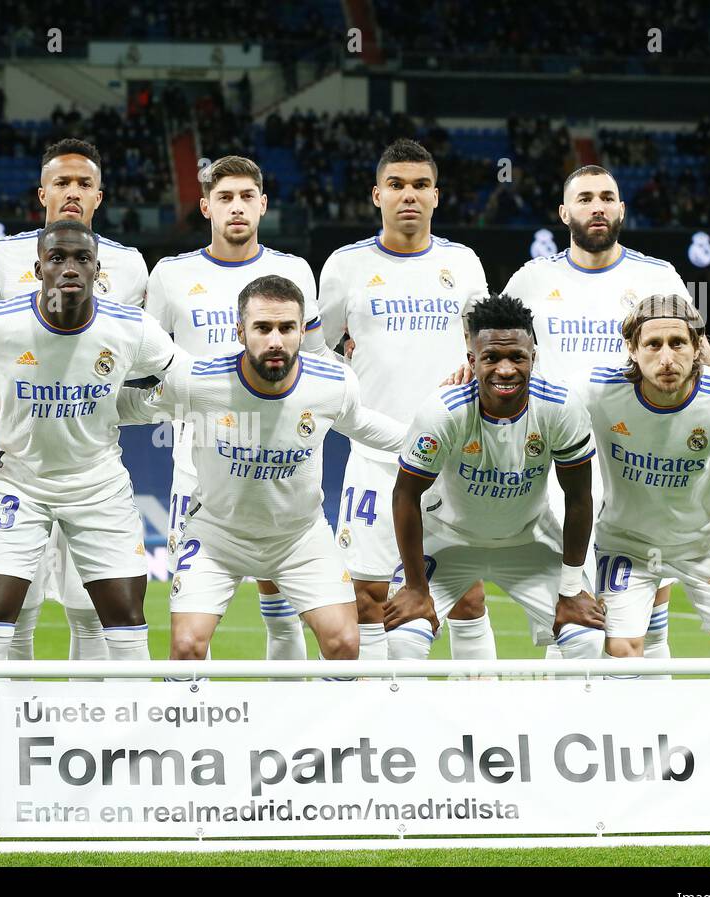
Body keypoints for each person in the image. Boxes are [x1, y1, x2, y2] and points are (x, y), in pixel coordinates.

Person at [496, 164, 710, 662]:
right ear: (564, 213)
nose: (596, 206)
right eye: (584, 198)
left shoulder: (655, 275)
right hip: (558, 458)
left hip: (638, 454)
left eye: (606, 197)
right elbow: (493, 346)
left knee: (649, 598)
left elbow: (699, 354)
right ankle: (571, 722)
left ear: (621, 208)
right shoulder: (533, 279)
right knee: (573, 597)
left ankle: (648, 729)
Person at [120, 275, 406, 664]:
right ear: (240, 331)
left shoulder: (333, 385)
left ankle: (316, 725)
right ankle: (188, 723)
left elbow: (366, 425)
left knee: (344, 643)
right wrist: (76, 408)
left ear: (303, 331)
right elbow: (134, 408)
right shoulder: (197, 382)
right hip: (217, 537)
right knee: (187, 647)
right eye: (263, 328)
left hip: (299, 539)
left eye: (287, 328)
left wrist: (440, 445)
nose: (276, 340)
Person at [0, 220, 183, 666]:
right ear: (39, 269)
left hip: (99, 487)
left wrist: (132, 407)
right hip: (18, 484)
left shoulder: (131, 327)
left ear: (98, 270)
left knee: (127, 624)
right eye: (58, 259)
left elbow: (185, 381)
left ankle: (122, 736)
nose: (70, 268)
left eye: (82, 259)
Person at [145, 155, 330, 665]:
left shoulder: (292, 270)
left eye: (248, 196)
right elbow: (147, 359)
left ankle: (282, 728)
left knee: (282, 603)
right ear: (205, 206)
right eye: (225, 198)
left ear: (264, 204)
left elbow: (314, 364)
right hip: (199, 460)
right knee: (190, 616)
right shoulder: (172, 275)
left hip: (279, 458)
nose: (237, 207)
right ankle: (192, 726)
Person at [318, 138, 495, 663]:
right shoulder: (344, 267)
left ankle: (477, 725)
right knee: (367, 597)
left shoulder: (463, 264)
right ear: (377, 195)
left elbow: (488, 348)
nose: (408, 196)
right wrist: (343, 371)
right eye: (396, 185)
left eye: (420, 185)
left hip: (451, 457)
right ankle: (379, 728)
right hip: (374, 457)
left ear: (436, 196)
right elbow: (315, 350)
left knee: (466, 596)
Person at [0, 138, 148, 664]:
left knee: (91, 609)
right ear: (42, 192)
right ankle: (11, 733)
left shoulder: (130, 263)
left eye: (84, 184)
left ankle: (91, 736)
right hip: (17, 461)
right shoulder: (4, 257)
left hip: (92, 460)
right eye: (62, 182)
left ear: (99, 196)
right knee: (15, 610)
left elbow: (139, 360)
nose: (72, 192)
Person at [384, 294, 605, 662]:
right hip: (448, 542)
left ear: (534, 358)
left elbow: (579, 498)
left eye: (517, 357)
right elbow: (404, 495)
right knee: (405, 637)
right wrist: (416, 589)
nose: (505, 370)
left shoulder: (561, 408)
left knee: (585, 638)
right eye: (491, 358)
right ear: (472, 360)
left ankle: (564, 721)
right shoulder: (443, 412)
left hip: (530, 542)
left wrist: (570, 590)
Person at [581, 294, 710, 663]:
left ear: (697, 347)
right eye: (653, 344)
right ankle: (642, 723)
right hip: (626, 545)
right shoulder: (598, 390)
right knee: (622, 651)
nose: (666, 358)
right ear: (632, 349)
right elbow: (532, 397)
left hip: (705, 544)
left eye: (678, 343)